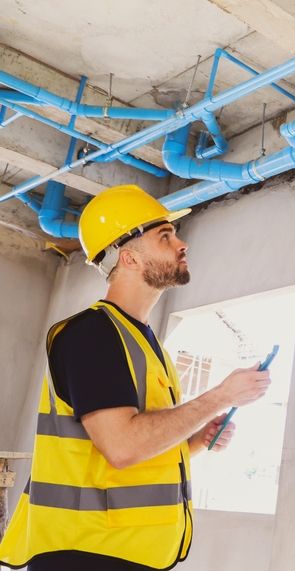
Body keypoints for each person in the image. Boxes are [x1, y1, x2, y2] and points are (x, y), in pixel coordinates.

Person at [0, 185, 272, 570]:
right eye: (165, 236)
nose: (182, 244)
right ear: (128, 258)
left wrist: (193, 440)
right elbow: (122, 446)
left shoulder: (147, 344)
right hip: (87, 553)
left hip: (124, 553)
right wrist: (218, 397)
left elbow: (128, 452)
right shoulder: (92, 334)